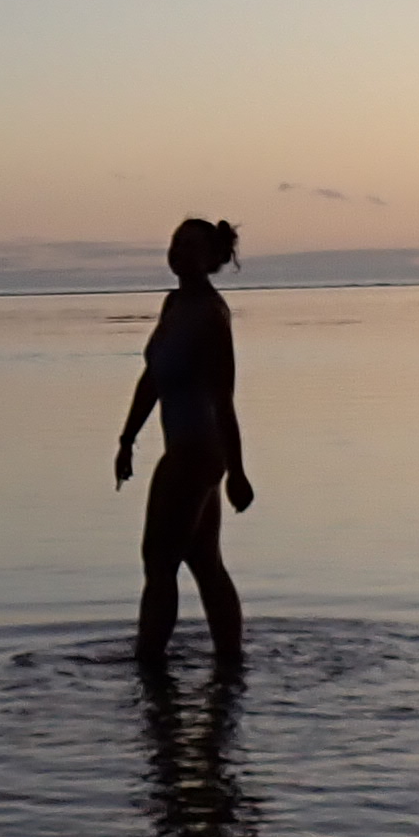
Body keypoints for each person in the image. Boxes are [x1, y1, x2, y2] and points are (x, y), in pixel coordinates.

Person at [115, 217, 252, 668]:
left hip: (199, 452)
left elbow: (223, 399)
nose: (178, 252)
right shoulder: (174, 305)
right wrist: (127, 439)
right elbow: (153, 378)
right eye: (174, 242)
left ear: (210, 257)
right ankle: (231, 663)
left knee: (158, 563)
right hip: (183, 450)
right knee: (203, 564)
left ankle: (148, 666)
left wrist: (237, 472)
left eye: (190, 246)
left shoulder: (212, 315)